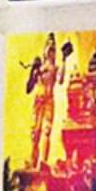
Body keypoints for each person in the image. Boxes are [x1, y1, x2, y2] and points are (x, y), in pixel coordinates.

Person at [25, 33, 68, 169]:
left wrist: (64, 60)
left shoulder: (55, 68)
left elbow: (60, 79)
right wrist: (33, 71)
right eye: (49, 48)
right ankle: (33, 160)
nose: (51, 52)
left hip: (49, 100)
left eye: (53, 49)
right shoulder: (39, 67)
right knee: (35, 132)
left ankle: (42, 161)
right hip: (38, 100)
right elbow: (28, 88)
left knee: (46, 130)